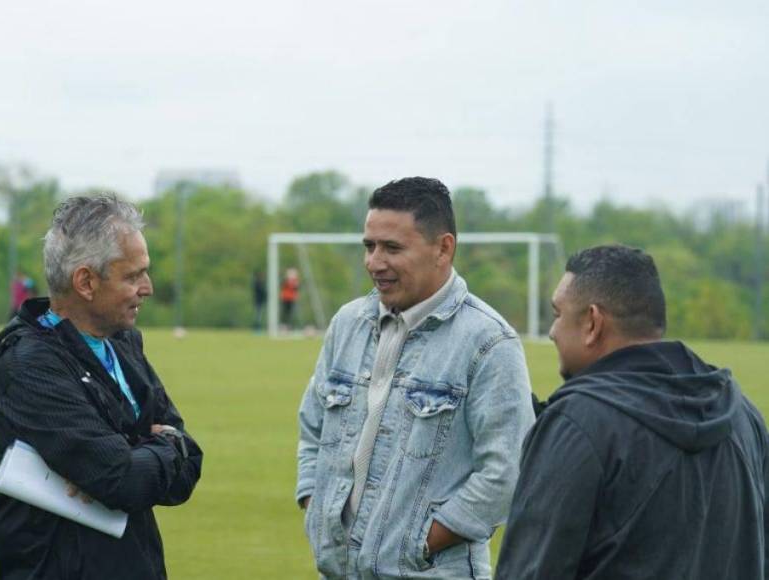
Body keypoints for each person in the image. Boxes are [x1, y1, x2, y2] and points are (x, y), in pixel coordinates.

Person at [296, 177, 535, 579]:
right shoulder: (347, 323)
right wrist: (314, 507)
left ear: (443, 248)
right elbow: (313, 428)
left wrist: (416, 544)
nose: (374, 262)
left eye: (392, 248)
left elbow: (508, 469)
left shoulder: (489, 342)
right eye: (369, 246)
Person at [0, 194, 204, 580]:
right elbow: (122, 480)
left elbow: (189, 460)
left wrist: (150, 451)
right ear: (86, 282)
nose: (147, 287)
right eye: (133, 276)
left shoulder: (123, 343)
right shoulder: (29, 367)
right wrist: (156, 447)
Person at [496, 245, 769, 579]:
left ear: (593, 322)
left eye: (557, 314)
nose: (552, 332)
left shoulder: (578, 422)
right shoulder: (743, 415)